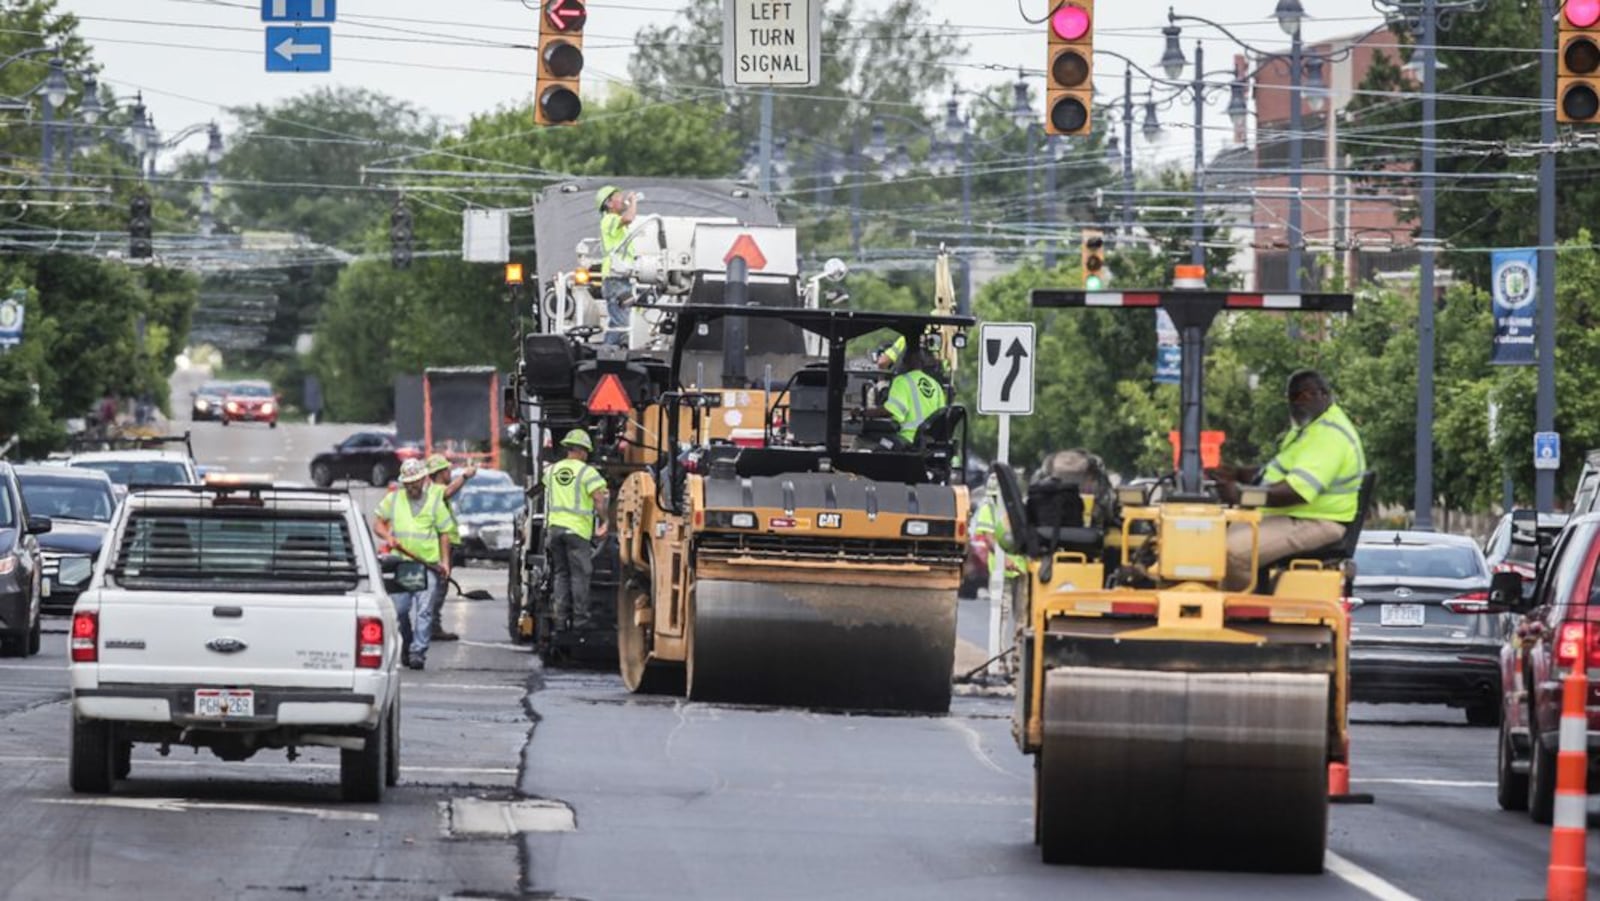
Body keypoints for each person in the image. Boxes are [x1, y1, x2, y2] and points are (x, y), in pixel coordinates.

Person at [1208, 369, 1367, 591]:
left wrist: (1241, 494)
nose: (1296, 404)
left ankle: (1239, 613)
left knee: (1233, 553)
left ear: (1323, 395)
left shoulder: (1330, 436)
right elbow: (1276, 473)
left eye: (1303, 396)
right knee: (1207, 539)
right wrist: (1237, 473)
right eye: (1292, 398)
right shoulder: (1309, 430)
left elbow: (1296, 491)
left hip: (1318, 522)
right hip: (1295, 516)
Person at [372, 458, 456, 670]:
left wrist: (445, 562)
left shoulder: (434, 502)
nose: (412, 486)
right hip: (402, 565)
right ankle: (408, 642)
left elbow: (444, 533)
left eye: (415, 482)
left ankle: (418, 652)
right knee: (400, 610)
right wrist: (387, 537)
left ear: (423, 479)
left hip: (427, 566)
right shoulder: (394, 499)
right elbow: (378, 524)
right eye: (408, 483)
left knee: (424, 611)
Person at [544, 429, 610, 631]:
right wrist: (605, 521)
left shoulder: (551, 471)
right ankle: (580, 621)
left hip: (555, 530)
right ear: (582, 451)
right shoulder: (588, 473)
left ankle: (560, 620)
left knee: (561, 574)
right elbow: (599, 500)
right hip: (577, 532)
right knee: (580, 574)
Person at [424, 454, 478, 643]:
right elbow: (448, 492)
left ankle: (432, 625)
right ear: (439, 473)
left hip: (444, 544)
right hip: (442, 545)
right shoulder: (436, 490)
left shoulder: (433, 490)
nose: (450, 473)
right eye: (447, 470)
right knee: (439, 587)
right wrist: (465, 476)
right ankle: (432, 627)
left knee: (441, 586)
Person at [862, 342, 947, 449]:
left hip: (905, 440)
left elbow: (891, 410)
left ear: (907, 361)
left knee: (866, 438)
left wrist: (863, 412)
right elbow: (941, 417)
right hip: (928, 443)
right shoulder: (936, 385)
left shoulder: (902, 381)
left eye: (903, 358)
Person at [596, 185, 638, 347]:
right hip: (615, 278)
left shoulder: (614, 222)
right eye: (618, 196)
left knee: (620, 322)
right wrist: (633, 202)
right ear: (609, 203)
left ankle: (609, 355)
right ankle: (607, 354)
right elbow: (628, 218)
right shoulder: (609, 219)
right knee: (621, 323)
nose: (622, 198)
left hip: (619, 277)